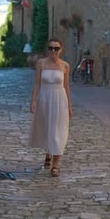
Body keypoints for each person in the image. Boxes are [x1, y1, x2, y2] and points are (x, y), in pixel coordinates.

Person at [29, 38, 73, 177]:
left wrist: (70, 106)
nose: (53, 51)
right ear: (47, 49)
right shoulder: (41, 63)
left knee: (59, 131)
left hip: (60, 99)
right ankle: (48, 153)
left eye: (56, 48)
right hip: (45, 98)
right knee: (47, 128)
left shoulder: (65, 65)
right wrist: (33, 101)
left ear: (61, 50)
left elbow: (66, 86)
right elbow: (36, 83)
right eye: (51, 48)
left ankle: (56, 164)